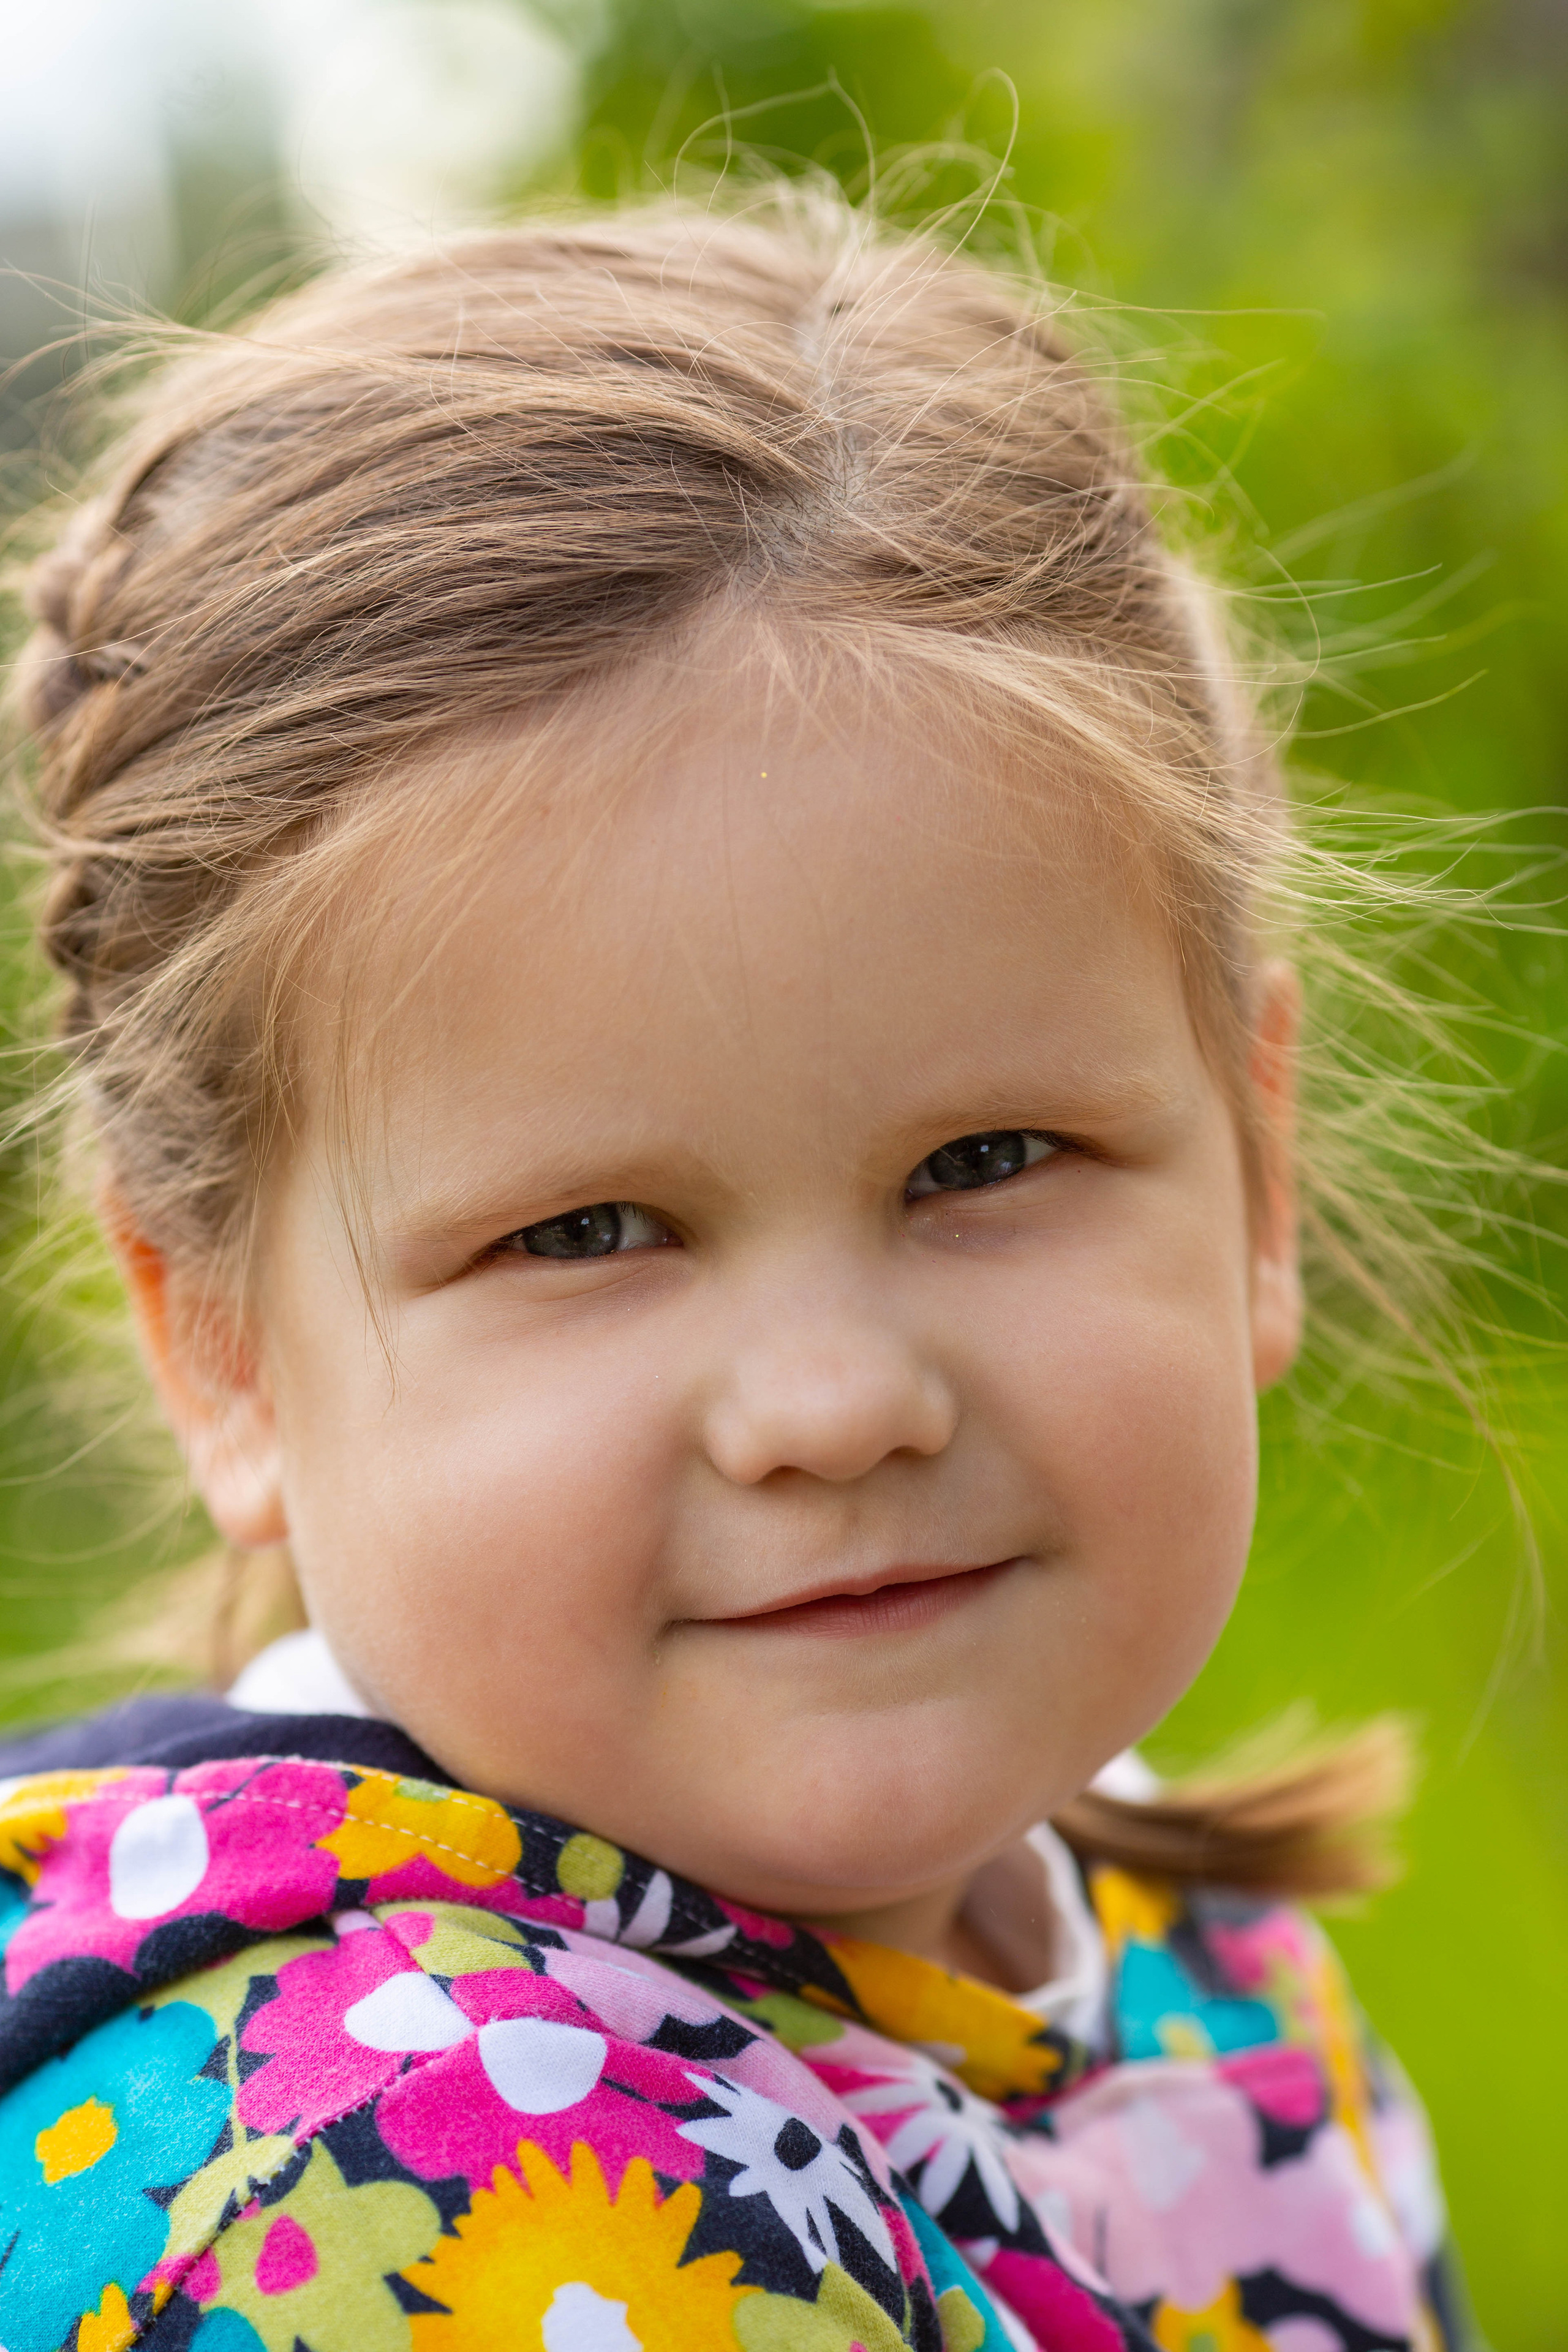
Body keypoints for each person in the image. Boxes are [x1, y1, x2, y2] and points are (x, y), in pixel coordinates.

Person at [0, 190, 1480, 2350]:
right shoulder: (403, 2185)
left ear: (1254, 1163)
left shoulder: (1179, 1953)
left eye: (989, 1158)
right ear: (221, 1351)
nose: (835, 1403)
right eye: (587, 1231)